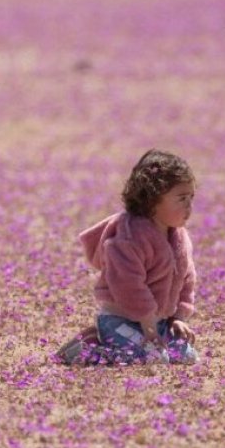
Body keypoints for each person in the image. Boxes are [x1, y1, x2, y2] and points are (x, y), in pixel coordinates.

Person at [55, 149, 199, 366]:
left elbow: (187, 279)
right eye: (181, 198)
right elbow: (129, 286)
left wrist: (178, 317)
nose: (189, 206)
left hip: (158, 321)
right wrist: (148, 328)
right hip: (120, 320)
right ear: (152, 200)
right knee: (152, 358)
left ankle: (129, 343)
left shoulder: (178, 236)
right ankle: (86, 348)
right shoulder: (130, 237)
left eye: (191, 198)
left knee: (187, 357)